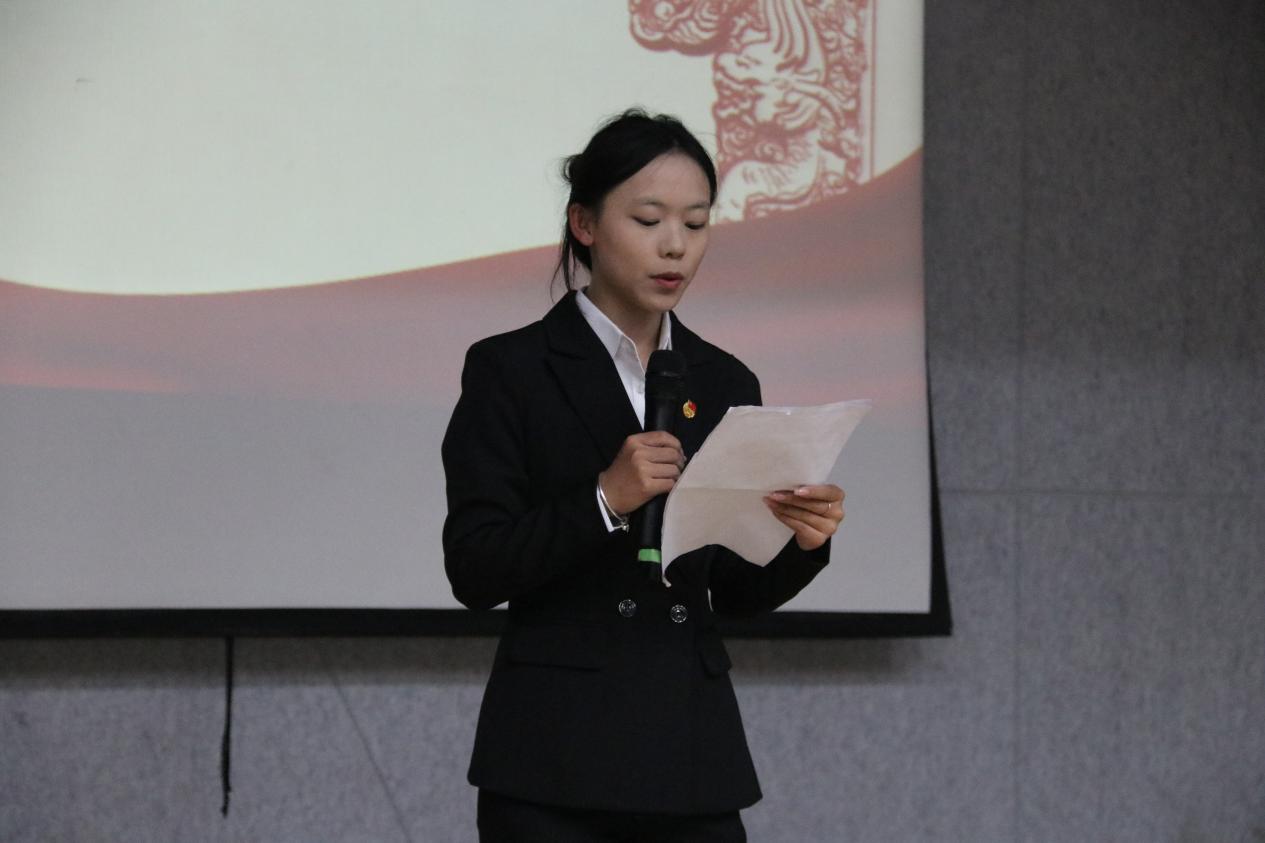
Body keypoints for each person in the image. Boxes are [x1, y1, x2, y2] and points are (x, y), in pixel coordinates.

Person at [442, 109, 845, 842]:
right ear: (584, 224)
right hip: (552, 759)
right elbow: (474, 566)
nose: (675, 246)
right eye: (648, 219)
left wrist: (803, 541)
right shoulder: (511, 368)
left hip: (690, 752)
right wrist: (605, 499)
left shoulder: (724, 379)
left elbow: (735, 590)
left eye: (696, 224)